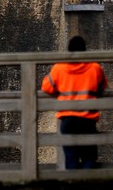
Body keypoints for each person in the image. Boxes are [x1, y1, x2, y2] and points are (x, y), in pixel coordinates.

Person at [41, 35, 108, 169]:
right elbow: (103, 86)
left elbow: (46, 87)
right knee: (89, 156)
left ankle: (74, 185)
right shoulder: (95, 68)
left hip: (68, 121)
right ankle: (87, 183)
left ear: (69, 51)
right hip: (87, 120)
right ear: (84, 51)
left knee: (71, 158)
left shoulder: (59, 68)